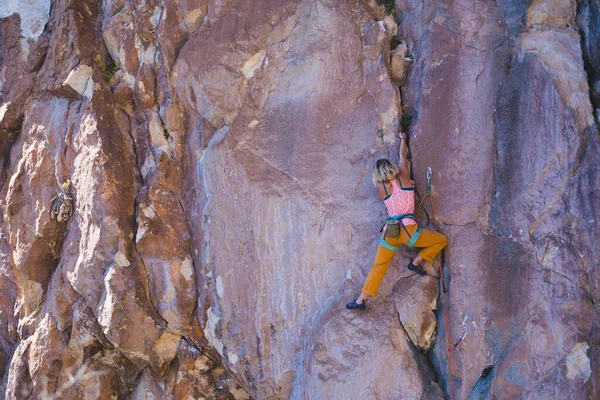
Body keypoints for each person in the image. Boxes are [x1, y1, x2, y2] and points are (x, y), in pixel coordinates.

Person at [346, 132, 447, 310]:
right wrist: (403, 139)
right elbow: (403, 155)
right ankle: (416, 262)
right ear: (392, 167)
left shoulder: (380, 187)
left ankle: (361, 299)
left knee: (378, 266)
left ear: (378, 174)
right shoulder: (404, 176)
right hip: (410, 232)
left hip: (390, 231)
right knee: (442, 240)